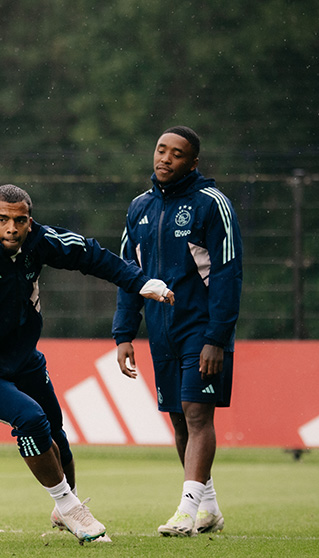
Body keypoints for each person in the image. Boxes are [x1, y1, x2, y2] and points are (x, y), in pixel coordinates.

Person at [0, 183, 174, 544]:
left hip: (23, 360)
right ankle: (71, 509)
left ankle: (64, 505)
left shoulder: (37, 240)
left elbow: (89, 254)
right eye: (3, 220)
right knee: (31, 420)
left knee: (56, 432)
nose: (12, 228)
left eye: (20, 220)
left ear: (29, 220)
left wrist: (141, 281)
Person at [112, 126, 243, 537]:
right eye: (161, 150)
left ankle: (185, 512)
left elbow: (227, 274)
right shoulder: (139, 208)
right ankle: (209, 509)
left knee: (197, 414)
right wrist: (124, 334)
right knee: (178, 420)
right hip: (161, 331)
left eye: (177, 154)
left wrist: (217, 337)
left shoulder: (211, 204)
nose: (165, 158)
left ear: (193, 163)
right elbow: (127, 274)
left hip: (201, 329)